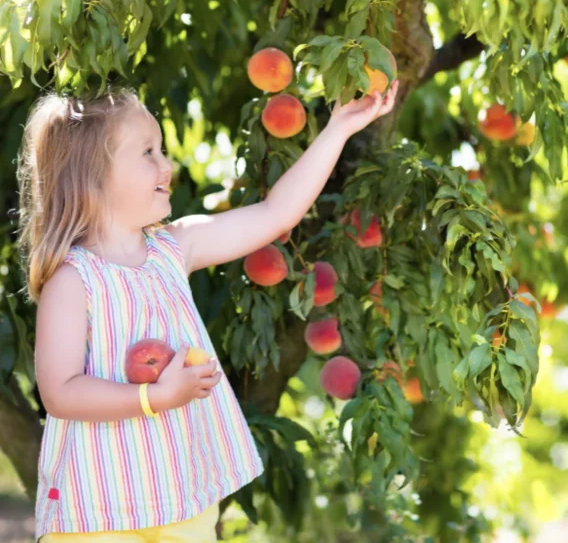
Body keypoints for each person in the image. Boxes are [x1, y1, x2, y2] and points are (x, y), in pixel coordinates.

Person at [15, 79, 398, 542]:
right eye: (148, 153)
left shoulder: (175, 248)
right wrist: (153, 398)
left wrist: (338, 129)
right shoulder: (72, 281)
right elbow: (60, 393)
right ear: (93, 175)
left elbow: (276, 213)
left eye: (162, 149)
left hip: (183, 496)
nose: (167, 164)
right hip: (100, 506)